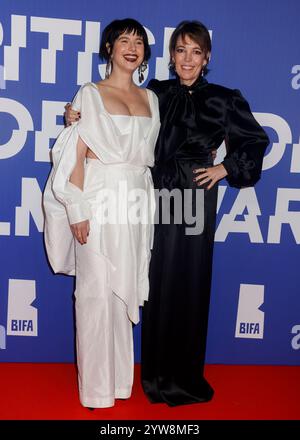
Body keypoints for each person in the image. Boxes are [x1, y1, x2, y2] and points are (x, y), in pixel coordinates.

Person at [65, 20, 269, 407]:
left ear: (206, 57)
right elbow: (114, 118)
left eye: (196, 51)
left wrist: (224, 168)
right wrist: (74, 114)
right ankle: (154, 377)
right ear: (171, 56)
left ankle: (184, 378)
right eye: (180, 50)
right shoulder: (154, 92)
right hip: (151, 194)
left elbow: (256, 141)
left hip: (193, 195)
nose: (187, 59)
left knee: (189, 282)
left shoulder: (226, 98)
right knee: (153, 280)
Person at [43, 18, 160, 409]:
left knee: (121, 287)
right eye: (123, 40)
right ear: (108, 48)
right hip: (96, 196)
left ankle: (119, 383)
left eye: (138, 41)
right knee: (94, 292)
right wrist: (75, 206)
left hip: (137, 201)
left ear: (145, 52)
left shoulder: (152, 98)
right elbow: (75, 152)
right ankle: (95, 390)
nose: (132, 46)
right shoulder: (88, 94)